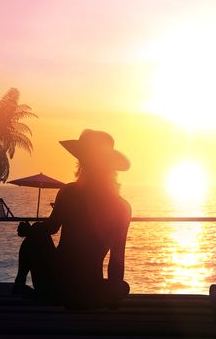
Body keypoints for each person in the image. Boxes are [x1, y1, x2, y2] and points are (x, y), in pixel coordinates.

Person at [13, 129, 131, 309]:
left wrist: (30, 230)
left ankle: (20, 284)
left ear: (82, 162)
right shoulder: (122, 206)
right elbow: (117, 258)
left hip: (56, 284)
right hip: (90, 288)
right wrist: (113, 296)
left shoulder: (69, 192)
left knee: (37, 233)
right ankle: (82, 299)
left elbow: (51, 228)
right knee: (122, 287)